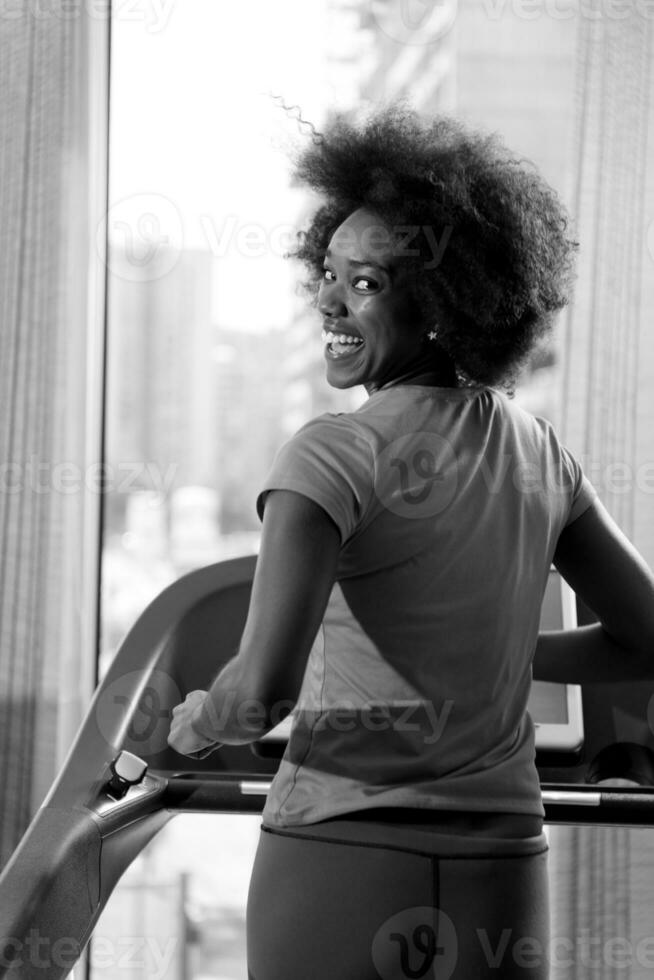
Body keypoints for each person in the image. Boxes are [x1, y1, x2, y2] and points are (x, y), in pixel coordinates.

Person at [167, 106, 654, 979]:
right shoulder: (541, 451)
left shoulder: (332, 453)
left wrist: (195, 722)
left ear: (440, 305)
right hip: (501, 866)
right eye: (327, 273)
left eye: (364, 283)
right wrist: (504, 652)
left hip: (338, 850)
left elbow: (258, 698)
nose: (327, 299)